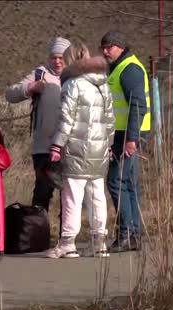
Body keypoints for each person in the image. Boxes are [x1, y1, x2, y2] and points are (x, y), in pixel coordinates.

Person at [40, 40, 116, 259]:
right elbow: (110, 120)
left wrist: (56, 145)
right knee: (97, 196)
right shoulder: (103, 84)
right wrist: (108, 145)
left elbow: (66, 119)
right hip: (99, 150)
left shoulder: (72, 85)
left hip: (75, 149)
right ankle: (99, 243)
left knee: (72, 196)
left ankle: (68, 243)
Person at [5, 37, 70, 212]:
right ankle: (37, 232)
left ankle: (65, 237)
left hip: (69, 147)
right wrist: (30, 88)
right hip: (44, 147)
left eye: (61, 57)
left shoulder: (75, 75)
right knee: (42, 193)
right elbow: (10, 94)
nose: (57, 61)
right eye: (53, 57)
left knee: (69, 197)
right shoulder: (40, 74)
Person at [100, 31, 151, 252]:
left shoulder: (129, 69)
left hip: (129, 134)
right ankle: (133, 234)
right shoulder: (120, 67)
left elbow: (138, 105)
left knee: (116, 181)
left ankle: (126, 234)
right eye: (103, 46)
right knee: (128, 184)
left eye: (109, 47)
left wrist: (131, 139)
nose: (104, 51)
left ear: (120, 46)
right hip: (123, 133)